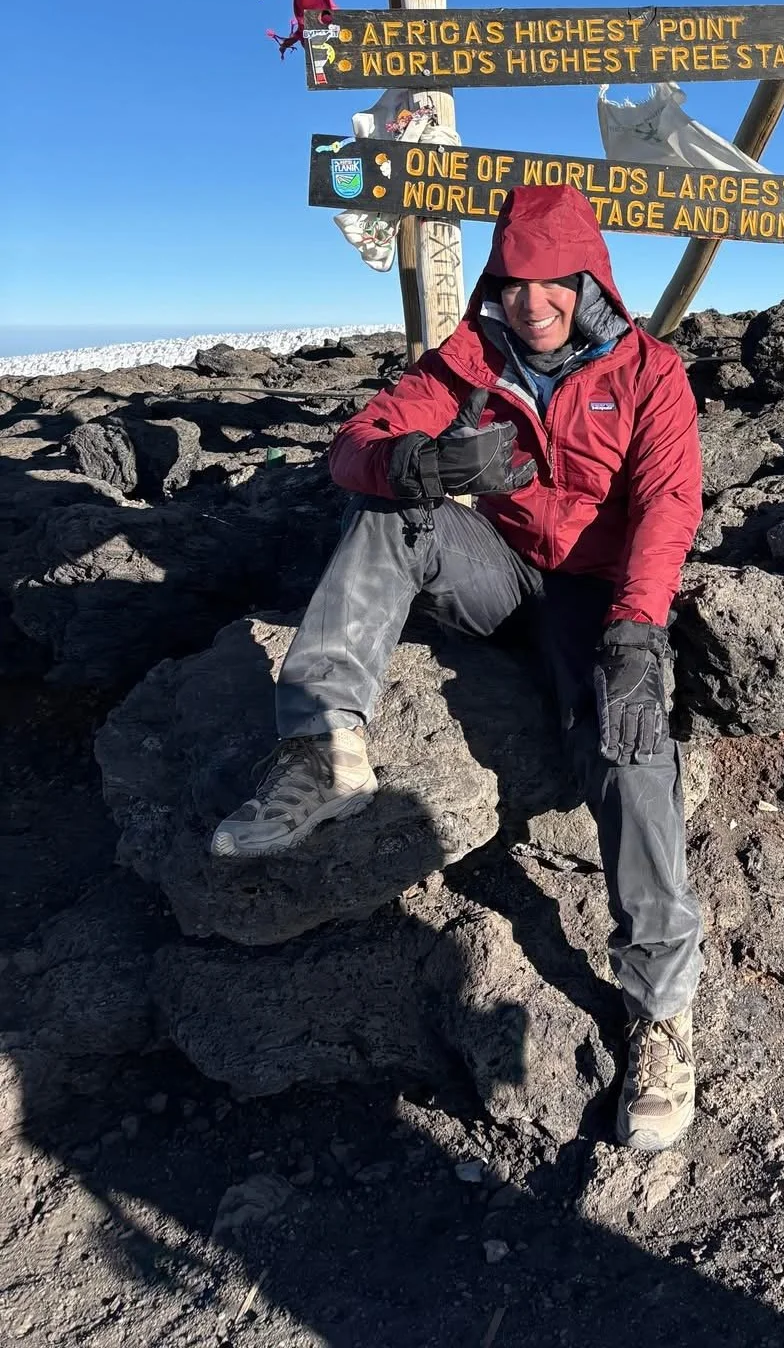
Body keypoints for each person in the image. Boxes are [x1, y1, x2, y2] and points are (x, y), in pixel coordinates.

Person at [210, 184, 705, 1152]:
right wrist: (406, 468)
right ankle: (323, 744)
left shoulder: (648, 369)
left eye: (551, 283)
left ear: (587, 278)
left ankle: (661, 1010)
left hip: (598, 593)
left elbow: (668, 503)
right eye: (515, 283)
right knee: (387, 512)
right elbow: (354, 444)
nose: (533, 303)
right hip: (500, 573)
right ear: (498, 283)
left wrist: (638, 632)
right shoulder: (469, 361)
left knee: (633, 749)